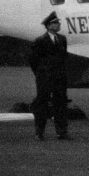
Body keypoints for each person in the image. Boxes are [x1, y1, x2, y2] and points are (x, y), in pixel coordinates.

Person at [28, 11, 70, 141]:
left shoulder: (62, 39)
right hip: (45, 77)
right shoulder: (40, 41)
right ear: (49, 26)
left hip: (59, 77)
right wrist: (41, 73)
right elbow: (33, 60)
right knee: (42, 103)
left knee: (61, 104)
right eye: (56, 23)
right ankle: (39, 132)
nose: (58, 25)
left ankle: (61, 131)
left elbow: (63, 58)